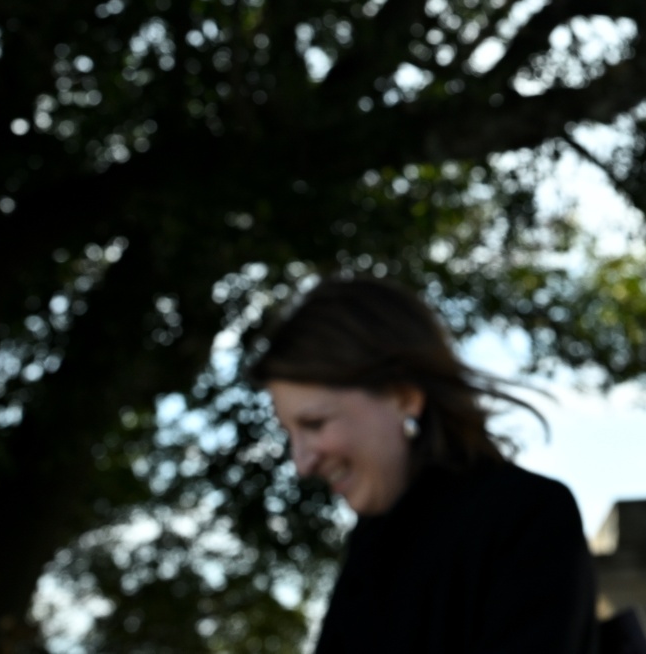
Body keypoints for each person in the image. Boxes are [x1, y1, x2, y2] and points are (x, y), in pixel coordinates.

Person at [253, 277, 601, 654]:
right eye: (290, 432)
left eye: (315, 424)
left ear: (404, 396)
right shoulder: (371, 544)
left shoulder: (526, 516)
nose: (302, 463)